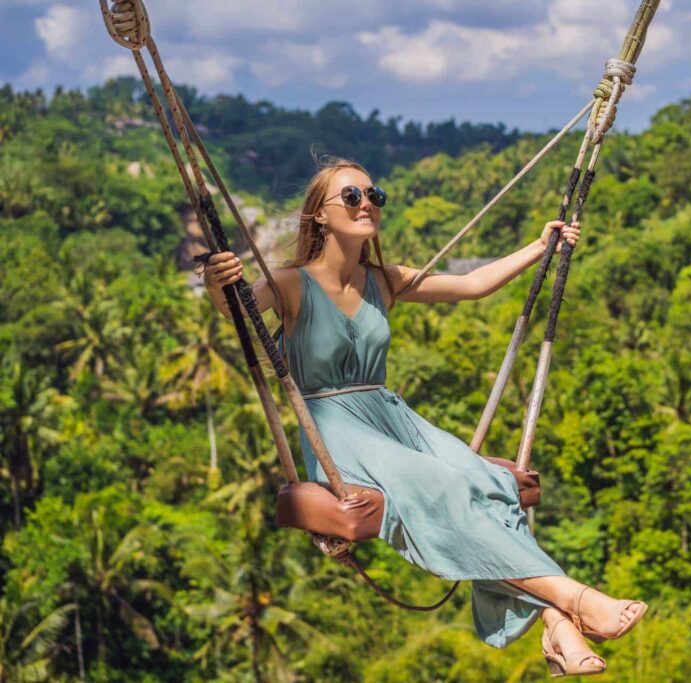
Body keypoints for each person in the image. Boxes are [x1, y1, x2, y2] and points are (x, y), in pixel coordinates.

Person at [202, 157, 647, 677]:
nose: (366, 203)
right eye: (351, 197)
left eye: (374, 195)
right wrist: (217, 283)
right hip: (334, 428)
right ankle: (574, 599)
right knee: (443, 485)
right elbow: (237, 310)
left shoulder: (384, 281)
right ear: (319, 215)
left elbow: (475, 285)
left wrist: (540, 246)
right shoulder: (291, 284)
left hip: (391, 416)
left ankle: (555, 623)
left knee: (485, 482)